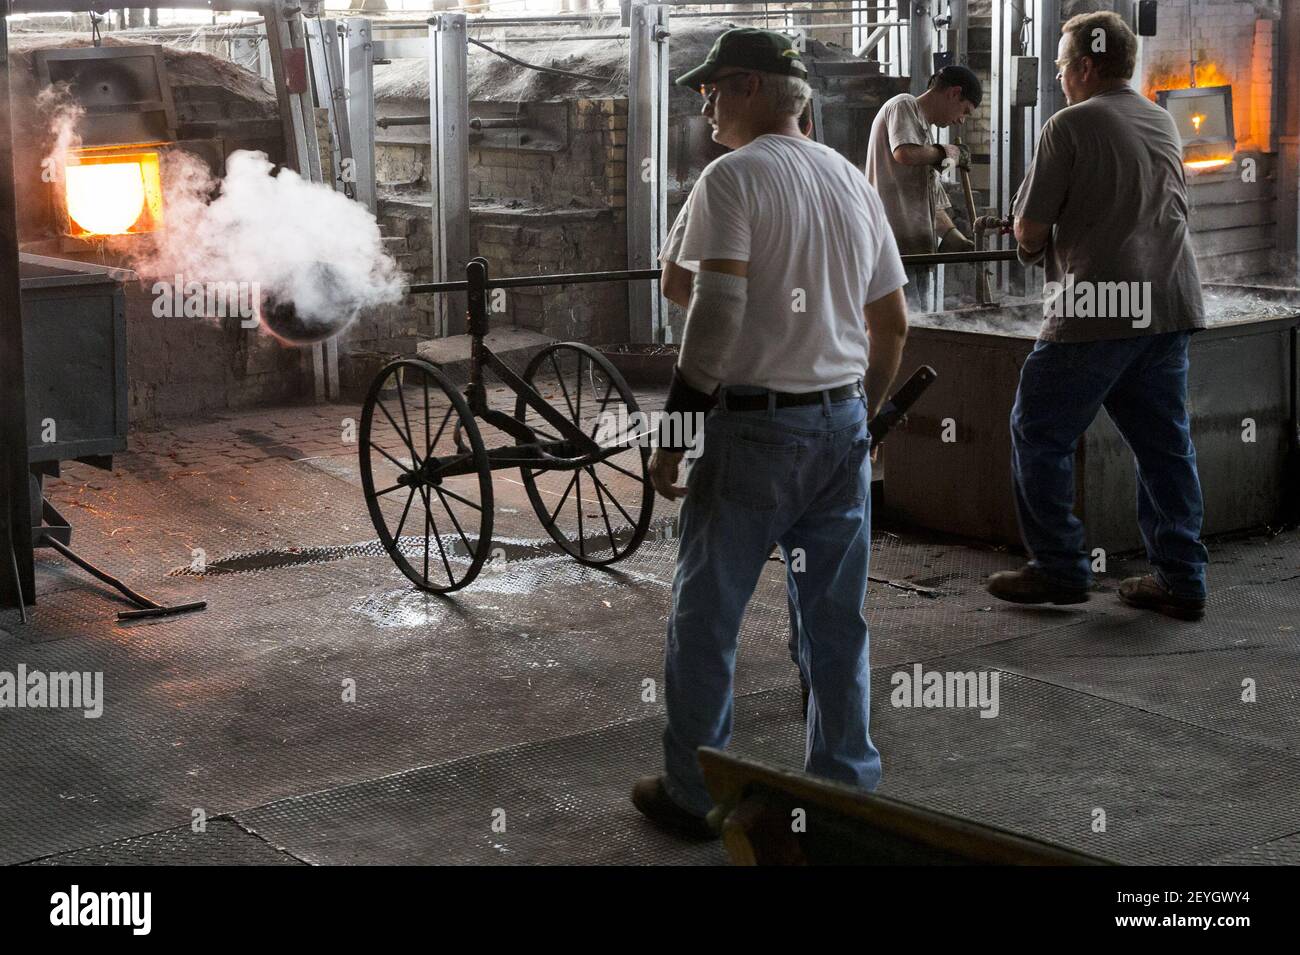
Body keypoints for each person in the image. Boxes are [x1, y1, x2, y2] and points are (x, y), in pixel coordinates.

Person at [633, 27, 909, 840]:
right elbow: (891, 323)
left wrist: (674, 431)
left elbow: (709, 311)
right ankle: (844, 785)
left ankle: (692, 791)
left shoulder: (731, 179)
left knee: (706, 615)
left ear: (751, 87)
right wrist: (860, 413)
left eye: (714, 88)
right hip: (841, 425)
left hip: (756, 432)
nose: (706, 105)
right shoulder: (852, 182)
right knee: (835, 618)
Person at [985, 11, 1209, 621]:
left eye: (1060, 66)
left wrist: (1029, 244)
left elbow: (1030, 228)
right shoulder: (1159, 117)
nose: (1058, 77)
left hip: (1097, 308)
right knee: (1165, 446)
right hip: (1168, 305)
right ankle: (1181, 577)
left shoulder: (1070, 124)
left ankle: (1058, 567)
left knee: (1040, 432)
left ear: (1085, 65)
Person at [864, 65, 981, 310]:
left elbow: (931, 201)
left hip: (916, 252)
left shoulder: (924, 137)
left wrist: (952, 235)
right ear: (954, 93)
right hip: (892, 251)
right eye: (965, 110)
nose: (961, 120)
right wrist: (948, 153)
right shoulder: (903, 105)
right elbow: (904, 153)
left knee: (921, 329)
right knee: (903, 332)